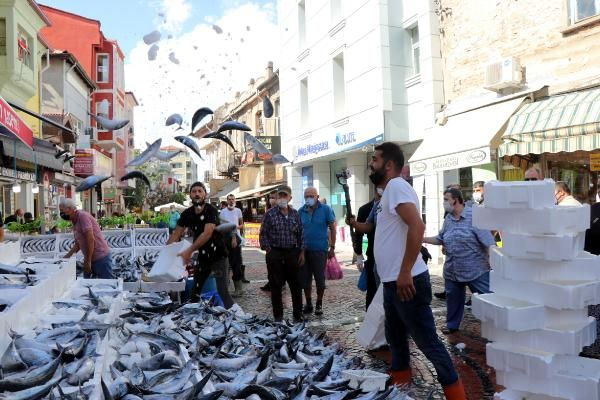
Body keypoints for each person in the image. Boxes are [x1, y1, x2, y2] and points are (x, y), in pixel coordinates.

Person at [352, 142, 465, 398]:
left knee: (427, 342)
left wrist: (404, 272)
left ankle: (456, 393)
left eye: (375, 159)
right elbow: (383, 231)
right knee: (395, 338)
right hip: (392, 282)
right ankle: (401, 384)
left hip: (407, 281)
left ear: (388, 165)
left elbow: (417, 226)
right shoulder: (386, 194)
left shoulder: (397, 186)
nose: (371, 164)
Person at [423, 188, 495, 335]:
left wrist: (494, 262)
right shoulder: (448, 219)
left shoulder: (473, 217)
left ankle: (497, 327)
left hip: (476, 270)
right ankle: (452, 325)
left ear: (455, 200)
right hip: (453, 270)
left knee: (489, 300)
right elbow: (441, 238)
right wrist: (422, 239)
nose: (444, 203)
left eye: (446, 199)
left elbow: (488, 242)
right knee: (453, 300)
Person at [167, 182, 234, 308]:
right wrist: (165, 253)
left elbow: (207, 233)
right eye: (194, 191)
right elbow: (176, 234)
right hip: (203, 258)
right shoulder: (187, 214)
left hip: (218, 256)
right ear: (190, 195)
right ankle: (195, 317)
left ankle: (236, 317)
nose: (197, 194)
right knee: (195, 293)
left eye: (200, 191)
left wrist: (189, 251)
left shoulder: (211, 210)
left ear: (205, 194)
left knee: (223, 291)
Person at [259, 185, 305, 322]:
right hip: (275, 253)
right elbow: (263, 234)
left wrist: (301, 251)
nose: (282, 198)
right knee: (276, 286)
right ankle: (278, 316)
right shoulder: (270, 214)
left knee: (296, 286)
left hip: (292, 253)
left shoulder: (295, 214)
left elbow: (301, 234)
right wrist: (268, 249)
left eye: (285, 196)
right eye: (280, 196)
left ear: (290, 197)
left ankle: (298, 314)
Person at [298, 187, 336, 316]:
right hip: (304, 251)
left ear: (317, 196)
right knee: (305, 279)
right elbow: (297, 231)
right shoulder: (300, 211)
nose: (308, 198)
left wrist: (332, 247)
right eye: (306, 196)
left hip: (320, 250)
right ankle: (308, 303)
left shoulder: (326, 209)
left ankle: (319, 303)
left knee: (320, 278)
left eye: (311, 196)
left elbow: (333, 228)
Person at [60, 198, 113, 279]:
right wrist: (66, 258)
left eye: (62, 211)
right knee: (88, 284)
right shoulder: (75, 221)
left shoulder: (82, 217)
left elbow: (90, 239)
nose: (61, 214)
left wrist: (88, 261)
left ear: (70, 209)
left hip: (100, 258)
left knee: (107, 285)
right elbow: (78, 244)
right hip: (91, 259)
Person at [351, 190, 382, 309]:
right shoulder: (366, 209)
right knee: (372, 290)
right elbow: (359, 232)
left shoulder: (395, 206)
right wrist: (358, 254)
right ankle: (372, 319)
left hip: (391, 256)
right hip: (373, 255)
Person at [220, 194, 245, 296]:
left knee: (236, 263)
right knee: (226, 264)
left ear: (235, 201)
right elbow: (221, 226)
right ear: (227, 201)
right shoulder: (223, 212)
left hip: (236, 240)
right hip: (226, 240)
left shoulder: (238, 211)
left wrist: (235, 227)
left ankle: (238, 288)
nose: (231, 201)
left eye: (233, 199)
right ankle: (225, 288)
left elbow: (242, 224)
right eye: (229, 200)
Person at [260, 192, 280, 292]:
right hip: (271, 248)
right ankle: (271, 283)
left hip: (282, 248)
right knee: (271, 268)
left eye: (274, 198)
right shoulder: (268, 212)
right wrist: (267, 247)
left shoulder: (288, 211)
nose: (272, 200)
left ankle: (278, 283)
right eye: (270, 198)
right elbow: (263, 232)